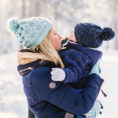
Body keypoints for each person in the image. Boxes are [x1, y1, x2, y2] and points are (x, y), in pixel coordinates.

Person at [8, 17, 104, 118]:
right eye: (54, 34)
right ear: (45, 42)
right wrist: (95, 76)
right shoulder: (39, 75)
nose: (60, 36)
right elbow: (81, 105)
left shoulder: (41, 66)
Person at [51, 23, 115, 118]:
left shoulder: (78, 55)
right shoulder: (74, 49)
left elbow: (75, 71)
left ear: (81, 40)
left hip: (77, 94)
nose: (70, 31)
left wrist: (64, 74)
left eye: (74, 32)